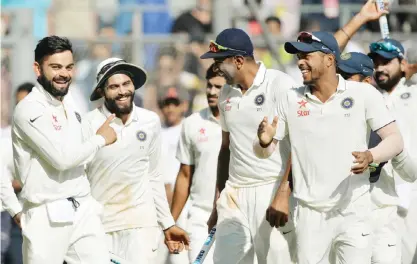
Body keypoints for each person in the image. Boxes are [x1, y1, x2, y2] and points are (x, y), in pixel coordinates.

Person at [255, 31, 404, 264]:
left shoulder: (363, 93)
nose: (300, 62)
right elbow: (266, 152)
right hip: (309, 215)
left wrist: (370, 155)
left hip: (354, 210)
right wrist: (263, 143)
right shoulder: (289, 98)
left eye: (306, 55)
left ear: (329, 59)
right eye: (298, 56)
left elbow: (395, 140)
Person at [11, 36, 117, 264]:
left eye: (69, 67)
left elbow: (81, 156)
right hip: (46, 215)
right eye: (55, 67)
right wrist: (99, 139)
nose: (63, 74)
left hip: (82, 208)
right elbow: (61, 159)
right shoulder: (29, 109)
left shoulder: (70, 104)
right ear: (37, 68)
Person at [200, 28, 297, 264]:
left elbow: (299, 144)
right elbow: (226, 148)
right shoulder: (226, 94)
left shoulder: (280, 84)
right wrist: (218, 202)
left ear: (239, 60)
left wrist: (284, 194)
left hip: (272, 189)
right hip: (234, 195)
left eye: (220, 62)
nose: (217, 68)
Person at [82, 57, 190, 263]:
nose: (122, 91)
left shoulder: (150, 121)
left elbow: (154, 176)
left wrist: (167, 223)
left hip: (142, 224)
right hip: (100, 225)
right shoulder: (88, 124)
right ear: (102, 91)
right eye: (113, 86)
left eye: (126, 84)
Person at [368, 39, 417, 264]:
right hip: (380, 194)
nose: (380, 68)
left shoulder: (414, 91)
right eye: (376, 62)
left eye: (386, 62)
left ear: (403, 63)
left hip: (413, 191)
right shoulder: (368, 97)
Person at [170, 63, 225, 264]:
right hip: (201, 217)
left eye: (218, 87)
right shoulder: (193, 123)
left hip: (236, 213)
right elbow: (184, 175)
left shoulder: (242, 120)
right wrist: (171, 222)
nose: (211, 91)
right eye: (209, 86)